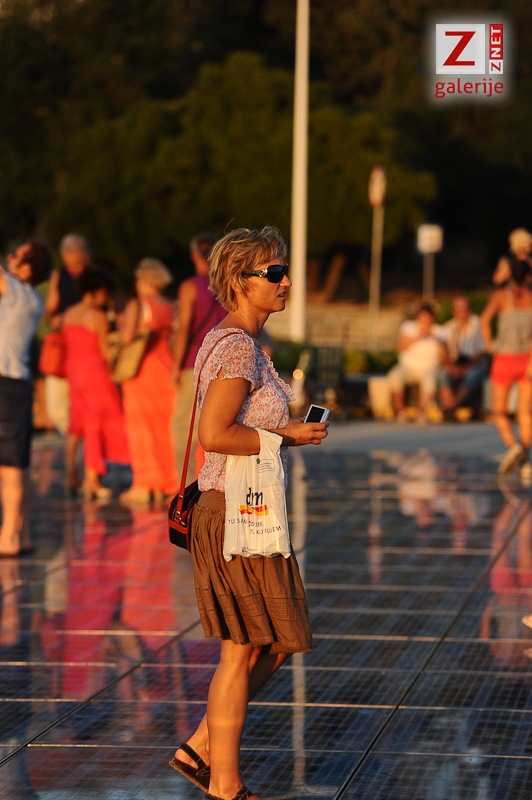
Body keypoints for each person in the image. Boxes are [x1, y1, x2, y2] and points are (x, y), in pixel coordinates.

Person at [169, 227, 328, 800]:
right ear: (240, 282)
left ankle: (200, 747)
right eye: (274, 273)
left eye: (284, 271)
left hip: (250, 510)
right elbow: (215, 434)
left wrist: (286, 431)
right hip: (234, 512)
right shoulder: (236, 346)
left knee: (275, 640)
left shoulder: (244, 343)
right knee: (241, 647)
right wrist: (286, 435)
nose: (285, 282)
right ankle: (224, 783)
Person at [0, 241, 53, 556]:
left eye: (16, 256)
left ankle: (8, 538)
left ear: (28, 268)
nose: (9, 258)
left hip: (5, 384)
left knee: (9, 467)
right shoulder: (30, 297)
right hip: (16, 386)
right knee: (18, 464)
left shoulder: (19, 293)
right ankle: (21, 533)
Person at [63, 268, 129, 499]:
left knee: (76, 425)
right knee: (95, 424)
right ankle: (91, 480)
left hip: (74, 372)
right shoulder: (97, 317)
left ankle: (71, 476)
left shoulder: (69, 313)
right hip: (95, 374)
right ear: (98, 290)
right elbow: (105, 351)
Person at [119, 258, 178, 503]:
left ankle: (145, 483)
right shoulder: (170, 305)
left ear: (143, 279)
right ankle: (168, 480)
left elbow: (127, 337)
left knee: (141, 428)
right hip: (166, 369)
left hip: (141, 371)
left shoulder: (138, 304)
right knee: (165, 428)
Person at [171, 232, 226, 485]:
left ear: (194, 255)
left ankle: (184, 484)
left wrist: (175, 366)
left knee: (184, 426)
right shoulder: (228, 283)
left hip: (195, 362)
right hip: (224, 362)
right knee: (219, 424)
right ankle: (216, 482)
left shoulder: (190, 286)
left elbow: (184, 329)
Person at [44, 233, 92, 493]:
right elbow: (49, 309)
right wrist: (53, 319)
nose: (74, 269)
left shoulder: (95, 277)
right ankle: (78, 447)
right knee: (56, 410)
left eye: (78, 263)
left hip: (86, 349)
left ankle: (82, 466)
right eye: (69, 264)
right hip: (63, 348)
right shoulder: (58, 276)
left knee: (84, 410)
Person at [481, 258, 532, 478]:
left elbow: (484, 321)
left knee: (499, 411)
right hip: (527, 360)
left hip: (504, 358)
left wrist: (490, 345)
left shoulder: (501, 296)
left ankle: (513, 446)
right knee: (525, 413)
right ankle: (526, 462)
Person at [387, 304, 447, 422]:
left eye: (427, 317)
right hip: (407, 366)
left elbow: (445, 356)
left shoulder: (439, 331)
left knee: (430, 380)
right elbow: (400, 347)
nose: (425, 320)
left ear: (432, 318)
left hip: (429, 368)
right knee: (394, 376)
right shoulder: (408, 327)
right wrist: (418, 336)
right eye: (422, 317)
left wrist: (435, 338)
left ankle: (422, 413)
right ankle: (400, 412)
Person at [438, 296, 490, 414]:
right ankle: (449, 407)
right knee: (442, 375)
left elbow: (482, 352)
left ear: (469, 309)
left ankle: (451, 408)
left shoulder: (478, 325)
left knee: (472, 375)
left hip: (474, 363)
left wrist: (464, 368)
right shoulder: (448, 327)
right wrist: (452, 367)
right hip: (455, 363)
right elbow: (444, 352)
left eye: (463, 307)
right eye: (458, 308)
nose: (461, 311)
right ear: (453, 311)